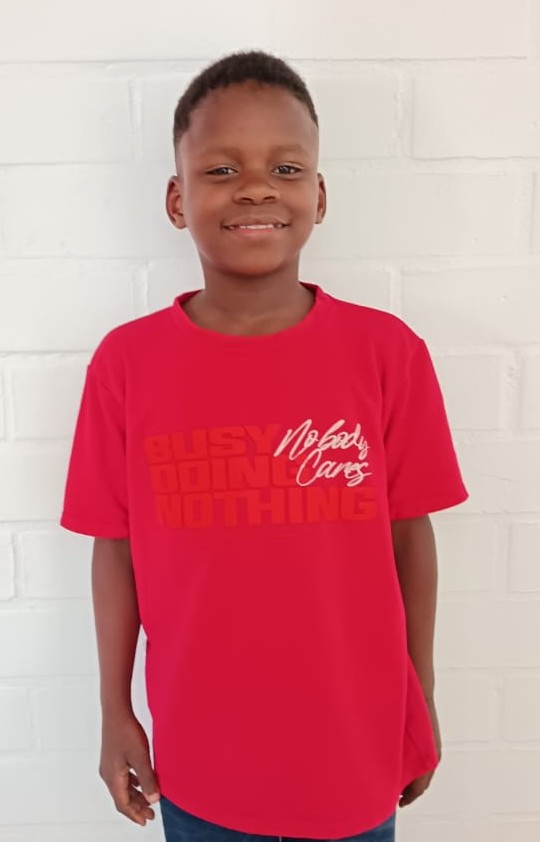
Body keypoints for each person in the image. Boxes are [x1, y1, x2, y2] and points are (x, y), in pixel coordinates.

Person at [60, 50, 468, 842]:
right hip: (200, 758)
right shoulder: (127, 364)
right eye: (221, 169)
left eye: (285, 167)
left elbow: (408, 537)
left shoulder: (386, 354)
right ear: (177, 199)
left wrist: (419, 696)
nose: (255, 188)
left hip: (352, 750)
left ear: (319, 194)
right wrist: (114, 710)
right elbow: (116, 548)